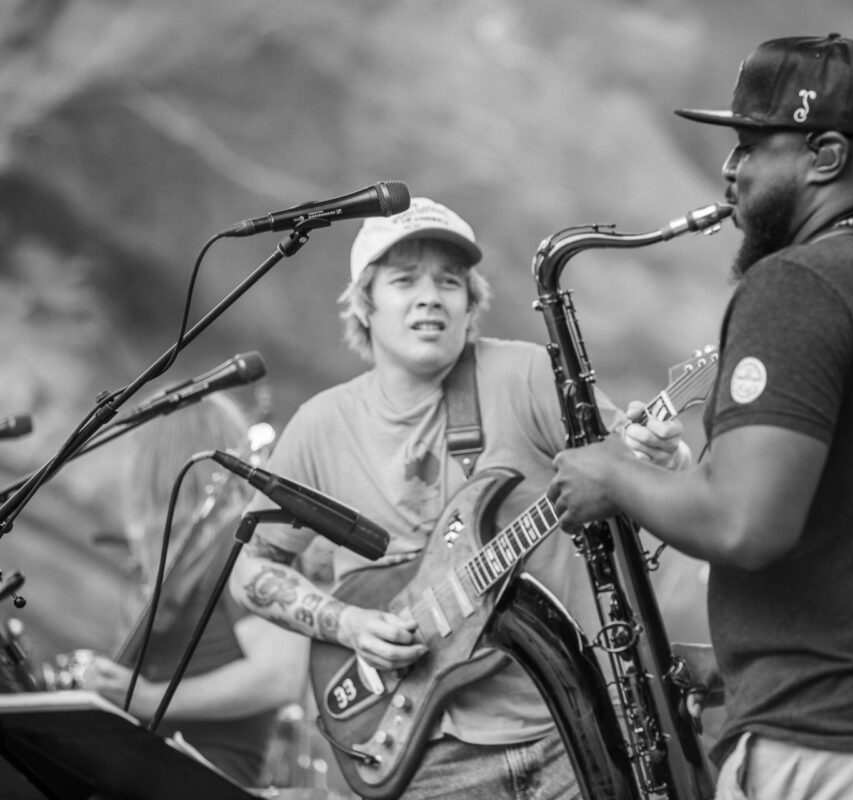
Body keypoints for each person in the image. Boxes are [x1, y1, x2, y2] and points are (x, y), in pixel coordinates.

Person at [547, 34, 853, 800]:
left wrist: (614, 475)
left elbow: (746, 526)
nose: (730, 170)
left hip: (836, 755)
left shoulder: (798, 284)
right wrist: (684, 478)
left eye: (750, 145)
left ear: (826, 156)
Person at [228, 197, 689, 799]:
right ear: (364, 304)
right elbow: (253, 568)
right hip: (425, 752)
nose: (431, 296)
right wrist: (348, 624)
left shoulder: (523, 375)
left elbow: (629, 475)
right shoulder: (321, 427)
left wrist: (663, 457)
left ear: (470, 304)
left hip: (570, 731)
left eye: (450, 282)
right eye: (404, 281)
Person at [79, 393, 309, 787]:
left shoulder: (242, 542)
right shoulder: (161, 561)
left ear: (159, 462)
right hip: (141, 769)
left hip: (202, 778)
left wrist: (151, 698)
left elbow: (280, 675)